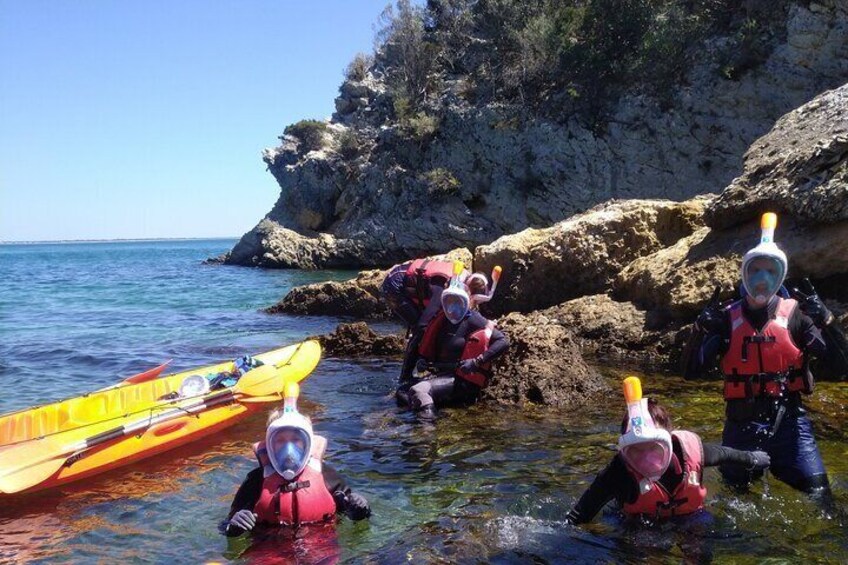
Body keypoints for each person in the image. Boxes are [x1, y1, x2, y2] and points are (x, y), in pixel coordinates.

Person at [682, 212, 847, 499]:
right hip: (740, 428)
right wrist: (698, 330)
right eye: (755, 270)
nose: (762, 280)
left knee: (822, 497)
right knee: (736, 502)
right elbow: (690, 371)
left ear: (781, 275)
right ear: (744, 275)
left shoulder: (797, 318)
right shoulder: (725, 320)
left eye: (771, 272)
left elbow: (842, 367)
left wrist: (829, 323)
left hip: (791, 425)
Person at [566, 377, 770, 524]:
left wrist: (752, 458)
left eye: (653, 448)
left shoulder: (691, 453)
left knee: (701, 542)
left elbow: (726, 454)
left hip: (690, 517)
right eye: (636, 451)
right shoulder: (618, 472)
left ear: (669, 440)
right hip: (638, 524)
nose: (646, 458)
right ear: (625, 452)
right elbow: (581, 513)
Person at [222, 383, 370, 536]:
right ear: (269, 443)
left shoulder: (326, 475)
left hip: (320, 545)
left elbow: (353, 515)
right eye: (280, 440)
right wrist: (234, 526)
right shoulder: (256, 480)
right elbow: (226, 524)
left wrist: (360, 508)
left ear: (308, 443)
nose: (289, 448)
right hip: (269, 546)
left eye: (296, 440)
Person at [397, 271, 509, 420]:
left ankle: (426, 433)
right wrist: (422, 361)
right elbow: (431, 351)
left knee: (419, 391)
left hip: (462, 381)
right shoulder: (442, 321)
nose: (453, 306)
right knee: (402, 391)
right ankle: (423, 419)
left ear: (465, 302)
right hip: (442, 375)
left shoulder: (473, 319)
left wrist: (477, 362)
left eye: (457, 301)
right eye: (449, 301)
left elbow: (503, 341)